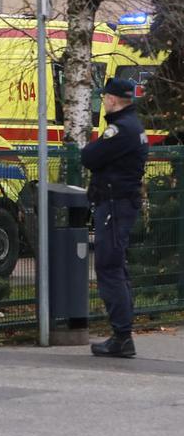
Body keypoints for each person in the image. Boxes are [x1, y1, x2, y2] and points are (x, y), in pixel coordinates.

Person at [82, 76, 148, 359]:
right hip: (120, 204)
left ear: (112, 99)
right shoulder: (134, 126)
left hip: (114, 204)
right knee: (117, 266)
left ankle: (122, 336)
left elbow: (89, 157)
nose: (104, 102)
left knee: (109, 267)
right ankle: (123, 334)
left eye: (105, 98)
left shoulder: (120, 130)